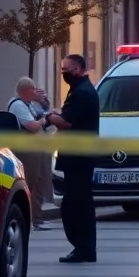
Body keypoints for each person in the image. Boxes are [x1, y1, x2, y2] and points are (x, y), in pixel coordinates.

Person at [43, 54, 100, 263]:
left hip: (79, 157)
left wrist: (50, 117)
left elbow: (66, 122)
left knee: (76, 204)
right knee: (78, 202)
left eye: (66, 69)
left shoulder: (82, 93)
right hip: (77, 157)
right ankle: (83, 248)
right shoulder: (80, 90)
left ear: (77, 69)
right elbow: (70, 116)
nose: (63, 73)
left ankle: (83, 248)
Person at [8, 77, 55, 231]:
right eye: (33, 89)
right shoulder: (18, 105)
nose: (35, 91)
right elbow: (33, 125)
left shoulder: (29, 105)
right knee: (31, 184)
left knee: (40, 182)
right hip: (29, 152)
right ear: (26, 90)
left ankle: (38, 218)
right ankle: (31, 219)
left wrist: (44, 104)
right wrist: (42, 121)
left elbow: (43, 115)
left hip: (38, 151)